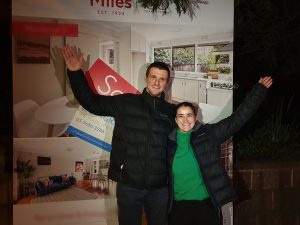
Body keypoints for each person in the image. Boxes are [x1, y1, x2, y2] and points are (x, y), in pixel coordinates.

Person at [62, 45, 176, 225]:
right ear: (146, 78)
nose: (156, 82)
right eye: (153, 77)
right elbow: (92, 102)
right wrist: (75, 72)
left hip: (159, 188)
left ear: (167, 83)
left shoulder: (172, 111)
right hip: (129, 185)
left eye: (162, 79)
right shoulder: (126, 102)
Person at [167, 77, 273, 225]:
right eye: (181, 116)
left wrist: (259, 90)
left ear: (195, 117)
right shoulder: (169, 142)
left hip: (205, 204)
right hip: (178, 207)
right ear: (176, 120)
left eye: (189, 115)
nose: (185, 120)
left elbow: (237, 119)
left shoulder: (208, 134)